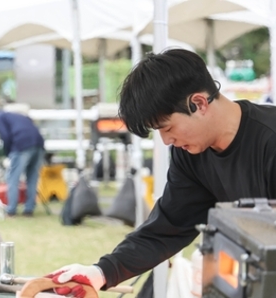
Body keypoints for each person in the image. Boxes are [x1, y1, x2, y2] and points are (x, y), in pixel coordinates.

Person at [45, 48, 276, 297]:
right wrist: (101, 272)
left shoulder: (270, 140)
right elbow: (169, 226)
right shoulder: (191, 153)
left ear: (198, 103)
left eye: (167, 128)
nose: (166, 141)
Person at [0, 109, 44, 216]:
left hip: (21, 144)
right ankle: (29, 209)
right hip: (38, 143)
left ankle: (11, 209)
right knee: (32, 178)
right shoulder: (15, 114)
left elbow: (5, 135)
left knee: (13, 178)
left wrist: (8, 152)